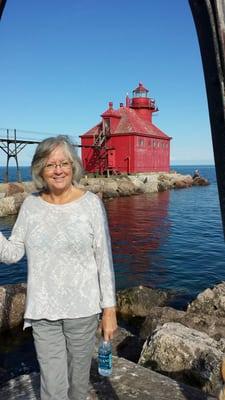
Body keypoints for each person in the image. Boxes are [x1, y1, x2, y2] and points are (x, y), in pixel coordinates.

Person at [0, 135, 117, 400]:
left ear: (73, 166)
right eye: (51, 164)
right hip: (43, 312)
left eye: (64, 163)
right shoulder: (30, 205)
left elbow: (104, 260)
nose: (59, 170)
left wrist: (109, 310)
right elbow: (13, 253)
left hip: (83, 312)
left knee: (77, 387)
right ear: (40, 168)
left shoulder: (91, 205)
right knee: (53, 389)